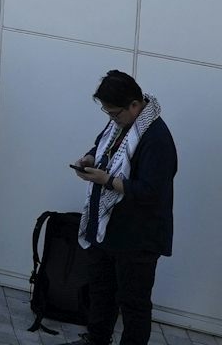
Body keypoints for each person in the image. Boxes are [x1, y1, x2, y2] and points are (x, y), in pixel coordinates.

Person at [69, 70, 177, 345]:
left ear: (135, 105)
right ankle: (97, 339)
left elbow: (151, 192)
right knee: (101, 292)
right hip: (108, 229)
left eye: (115, 113)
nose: (112, 119)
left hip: (139, 237)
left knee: (133, 304)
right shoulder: (120, 124)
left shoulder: (157, 138)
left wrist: (108, 181)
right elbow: (104, 147)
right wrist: (90, 157)